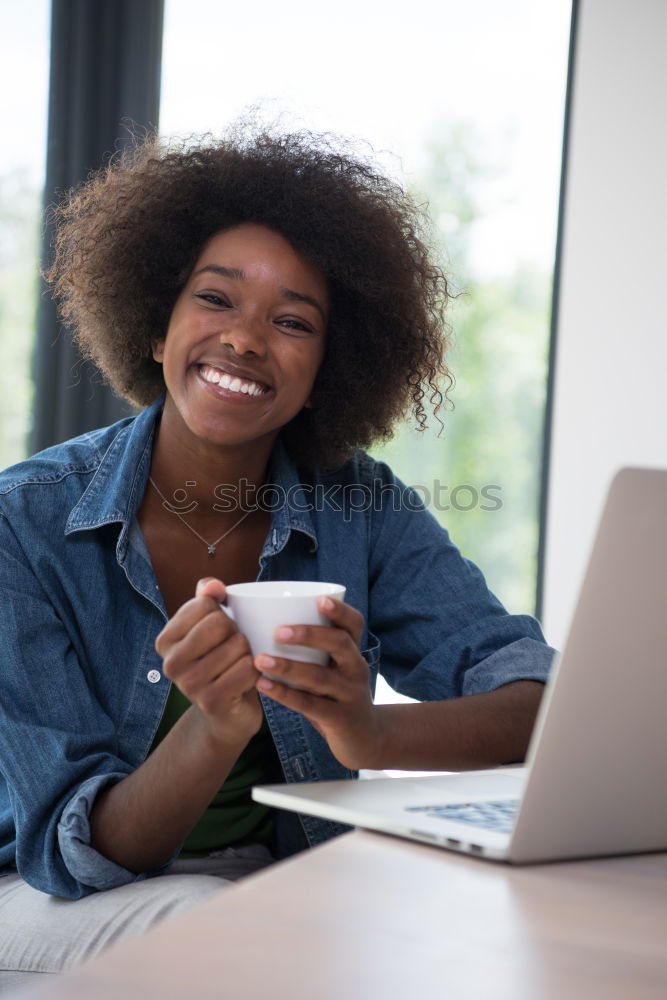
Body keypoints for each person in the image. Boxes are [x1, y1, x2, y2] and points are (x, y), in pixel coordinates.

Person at [0, 125, 555, 984]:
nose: (247, 340)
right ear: (157, 326)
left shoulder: (361, 505)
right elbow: (85, 852)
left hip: (280, 887)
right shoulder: (22, 525)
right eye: (215, 300)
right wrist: (216, 728)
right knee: (224, 933)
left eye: (292, 321)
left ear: (326, 371)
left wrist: (365, 729)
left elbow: (535, 701)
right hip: (45, 895)